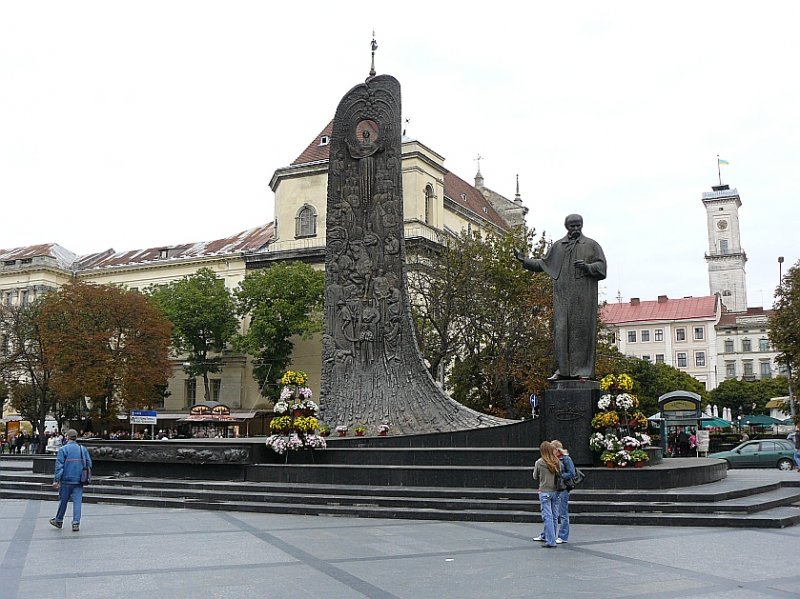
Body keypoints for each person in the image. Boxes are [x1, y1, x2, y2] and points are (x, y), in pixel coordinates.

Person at [514, 214, 607, 380]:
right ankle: (562, 371)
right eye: (572, 226)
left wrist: (587, 267)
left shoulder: (592, 245)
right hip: (562, 298)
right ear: (567, 227)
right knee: (561, 332)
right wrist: (524, 261)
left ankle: (583, 372)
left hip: (583, 299)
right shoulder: (558, 247)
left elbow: (602, 267)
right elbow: (543, 264)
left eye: (578, 225)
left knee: (582, 333)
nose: (576, 229)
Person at [50, 429, 92, 532]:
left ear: (67, 437)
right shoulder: (82, 449)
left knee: (63, 501)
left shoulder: (63, 449)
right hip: (79, 480)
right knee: (77, 502)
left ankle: (59, 520)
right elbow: (89, 464)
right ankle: (76, 523)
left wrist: (56, 480)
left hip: (66, 480)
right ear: (76, 437)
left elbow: (59, 467)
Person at [534, 440, 575, 545]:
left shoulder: (564, 459)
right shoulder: (555, 460)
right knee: (552, 515)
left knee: (559, 513)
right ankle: (547, 535)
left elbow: (571, 473)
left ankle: (561, 536)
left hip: (561, 488)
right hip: (555, 489)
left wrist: (561, 476)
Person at [532, 441, 562, 548]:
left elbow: (535, 476)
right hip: (556, 491)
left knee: (547, 516)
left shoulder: (539, 462)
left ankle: (550, 541)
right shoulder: (556, 461)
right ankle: (552, 537)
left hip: (545, 491)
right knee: (554, 516)